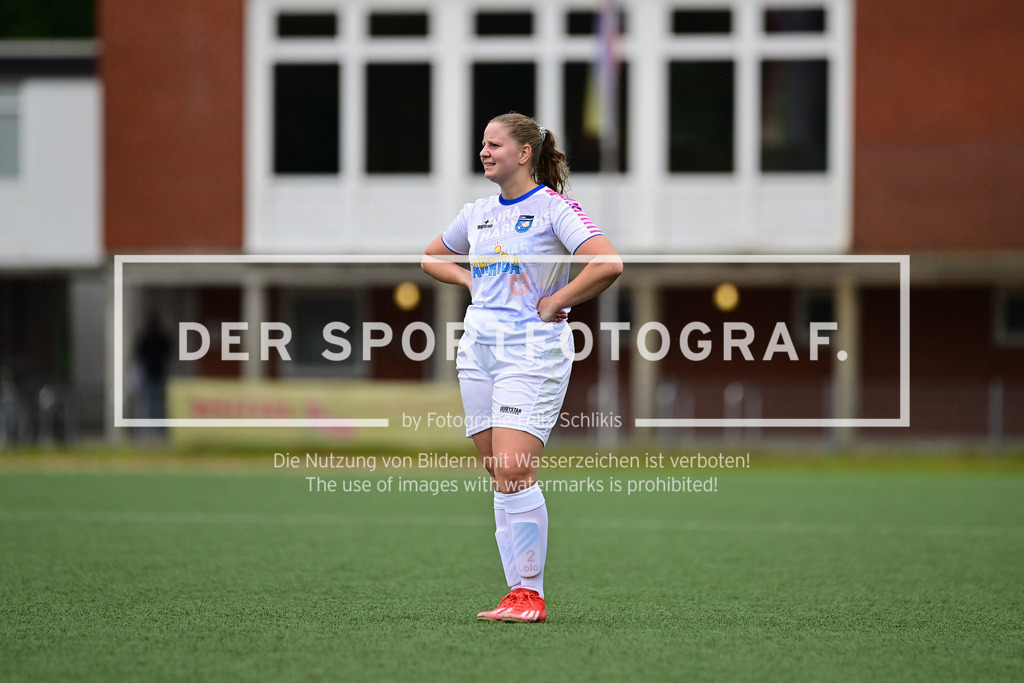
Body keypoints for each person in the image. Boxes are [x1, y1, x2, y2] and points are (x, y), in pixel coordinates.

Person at [422, 112, 622, 623]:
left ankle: (531, 595)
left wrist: (557, 301)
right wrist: (468, 282)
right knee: (500, 474)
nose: (484, 152)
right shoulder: (478, 212)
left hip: (532, 350)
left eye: (494, 145)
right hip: (479, 349)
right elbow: (429, 258)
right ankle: (516, 593)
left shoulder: (556, 210)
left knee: (514, 468)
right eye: (482, 144)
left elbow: (607, 263)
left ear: (525, 153)